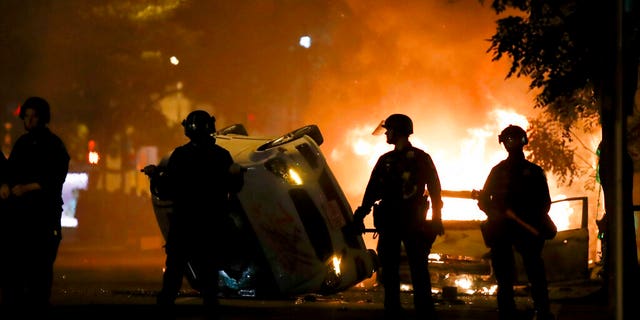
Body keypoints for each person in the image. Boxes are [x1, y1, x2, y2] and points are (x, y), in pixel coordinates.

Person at [143, 110, 244, 316]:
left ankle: (167, 301)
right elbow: (233, 188)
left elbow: (166, 189)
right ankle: (209, 302)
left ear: (187, 130)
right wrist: (235, 174)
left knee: (175, 266)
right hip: (210, 221)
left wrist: (155, 175)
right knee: (208, 265)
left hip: (185, 221)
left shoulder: (180, 155)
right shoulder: (221, 156)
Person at [352, 113, 444, 319]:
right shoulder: (422, 158)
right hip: (413, 221)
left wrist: (360, 215)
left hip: (393, 222)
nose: (386, 133)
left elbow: (371, 192)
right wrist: (437, 219)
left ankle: (393, 309)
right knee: (418, 267)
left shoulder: (387, 161)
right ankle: (423, 309)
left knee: (392, 268)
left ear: (397, 131)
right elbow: (436, 191)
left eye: (389, 130)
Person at [476, 125, 554, 320]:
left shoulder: (529, 171)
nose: (512, 144)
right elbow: (485, 200)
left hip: (523, 228)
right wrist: (496, 214)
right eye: (510, 140)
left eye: (513, 139)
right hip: (504, 228)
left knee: (529, 271)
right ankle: (516, 311)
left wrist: (527, 218)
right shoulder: (503, 171)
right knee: (508, 274)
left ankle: (536, 310)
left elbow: (544, 202)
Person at [2, 96, 70, 309]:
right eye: (27, 117)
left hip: (43, 215)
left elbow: (54, 178)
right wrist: (5, 185)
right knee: (17, 267)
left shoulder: (53, 145)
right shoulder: (22, 143)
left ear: (43, 118)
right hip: (20, 216)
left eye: (34, 116)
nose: (29, 121)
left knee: (40, 267)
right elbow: (10, 170)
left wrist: (27, 188)